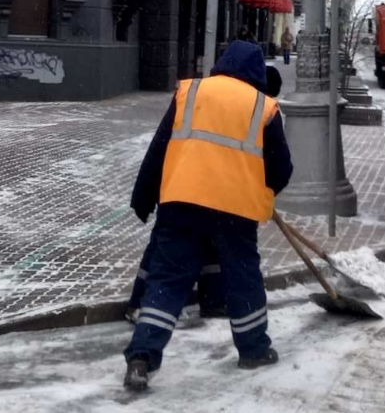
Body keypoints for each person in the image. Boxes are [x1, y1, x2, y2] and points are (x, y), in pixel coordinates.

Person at [123, 41, 293, 392]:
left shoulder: (191, 91)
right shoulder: (264, 107)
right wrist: (265, 192)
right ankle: (254, 350)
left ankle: (142, 356)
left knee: (167, 280)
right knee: (242, 276)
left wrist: (143, 197)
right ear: (257, 73)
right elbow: (281, 168)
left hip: (181, 201)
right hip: (235, 209)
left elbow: (159, 146)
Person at [124, 66, 284, 323]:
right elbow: (161, 148)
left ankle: (212, 301)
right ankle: (141, 304)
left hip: (187, 189)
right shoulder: (241, 104)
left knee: (203, 245)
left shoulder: (212, 96)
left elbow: (160, 147)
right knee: (166, 253)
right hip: (189, 188)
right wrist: (144, 195)